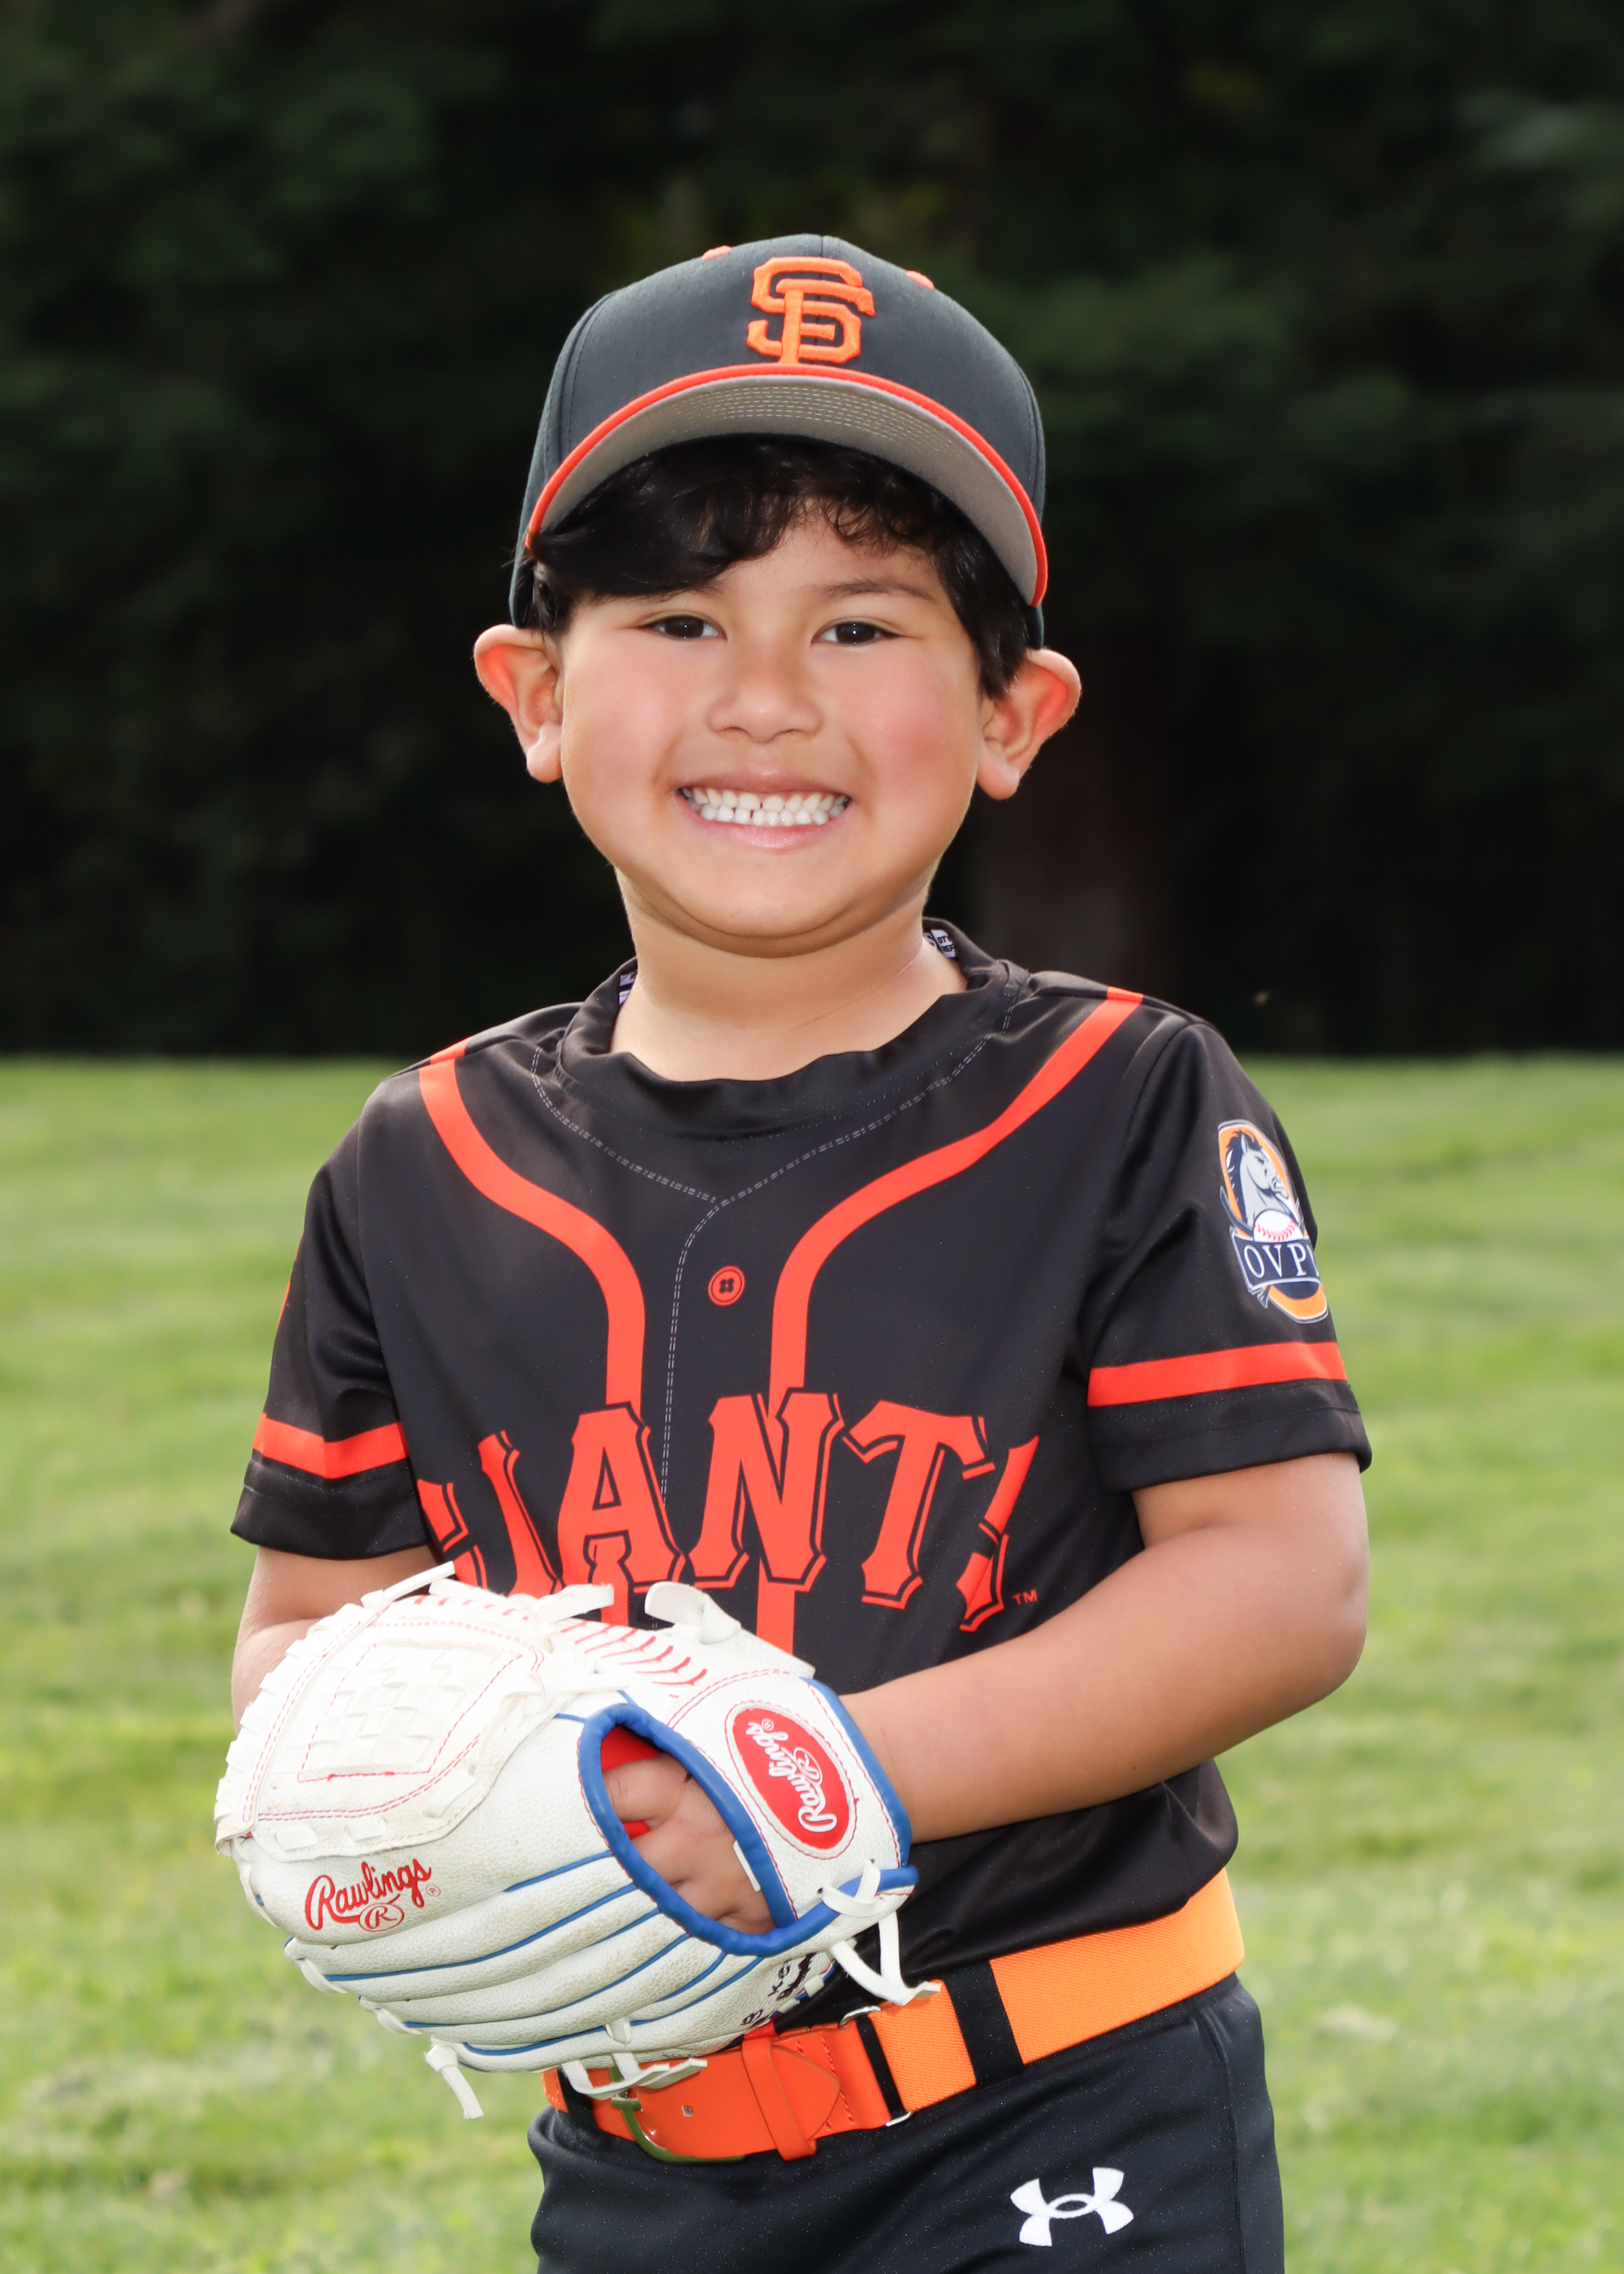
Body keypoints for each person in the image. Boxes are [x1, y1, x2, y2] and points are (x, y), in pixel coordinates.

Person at [230, 236, 1370, 2272]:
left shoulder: (1119, 1099)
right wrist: (388, 1804)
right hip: (637, 2151)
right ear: (534, 693)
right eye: (678, 616)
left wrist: (809, 1771)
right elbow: (313, 1626)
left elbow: (1279, 1583)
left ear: (1012, 712)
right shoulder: (422, 1163)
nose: (764, 697)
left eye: (859, 622)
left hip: (1058, 2100)